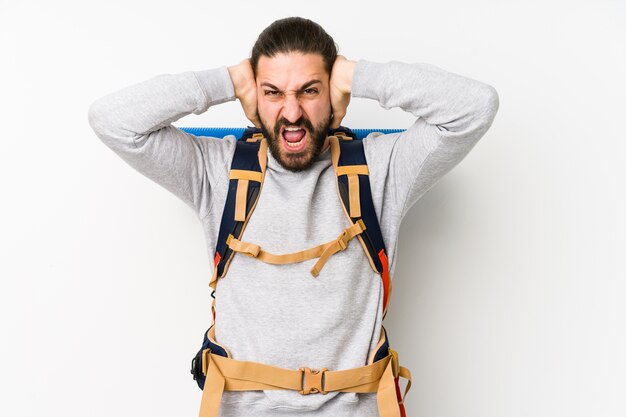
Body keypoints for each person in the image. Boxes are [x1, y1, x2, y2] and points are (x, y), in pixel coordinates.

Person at [88, 16, 499, 417]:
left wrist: (356, 75)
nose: (291, 112)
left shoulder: (380, 169)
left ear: (334, 96)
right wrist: (229, 81)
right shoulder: (217, 170)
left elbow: (475, 108)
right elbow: (113, 121)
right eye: (272, 92)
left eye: (309, 90)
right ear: (254, 97)